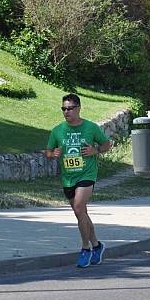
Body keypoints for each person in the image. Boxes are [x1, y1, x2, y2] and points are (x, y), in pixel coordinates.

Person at [45, 93, 112, 268]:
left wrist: (95, 151)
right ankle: (97, 245)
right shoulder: (57, 130)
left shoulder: (90, 127)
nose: (66, 112)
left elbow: (107, 144)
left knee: (79, 207)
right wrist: (53, 154)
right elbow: (48, 152)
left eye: (69, 108)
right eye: (63, 109)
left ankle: (85, 249)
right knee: (81, 213)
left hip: (86, 174)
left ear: (78, 108)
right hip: (68, 178)